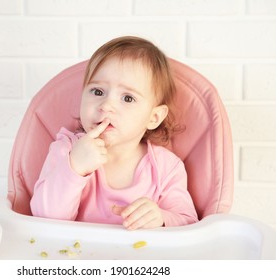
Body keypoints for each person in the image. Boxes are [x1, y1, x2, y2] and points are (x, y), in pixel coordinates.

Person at [30, 36, 198, 229]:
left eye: (127, 98)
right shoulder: (67, 150)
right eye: (98, 92)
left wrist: (161, 218)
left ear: (154, 117)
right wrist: (75, 167)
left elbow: (188, 222)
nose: (106, 105)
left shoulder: (166, 167)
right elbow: (43, 217)